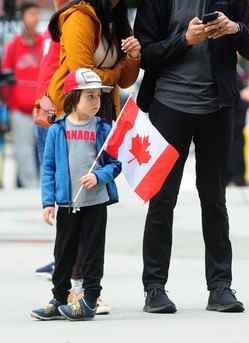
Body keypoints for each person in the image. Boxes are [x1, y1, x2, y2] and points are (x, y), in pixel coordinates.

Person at [134, 0, 249, 313]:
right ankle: (154, 288)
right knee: (162, 200)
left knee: (215, 200)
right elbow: (144, 54)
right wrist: (184, 40)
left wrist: (234, 28)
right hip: (167, 107)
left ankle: (220, 287)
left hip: (217, 109)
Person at [34, 0, 140, 314]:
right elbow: (82, 76)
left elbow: (124, 80)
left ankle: (85, 291)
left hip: (102, 112)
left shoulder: (118, 20)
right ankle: (70, 290)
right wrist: (117, 71)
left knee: (92, 207)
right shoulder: (79, 17)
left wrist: (133, 56)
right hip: (73, 114)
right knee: (73, 208)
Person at [31, 68, 121, 321]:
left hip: (95, 203)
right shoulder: (58, 130)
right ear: (72, 98)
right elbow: (48, 168)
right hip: (67, 203)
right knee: (63, 252)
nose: (96, 102)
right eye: (89, 96)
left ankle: (90, 299)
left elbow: (115, 164)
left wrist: (99, 176)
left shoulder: (103, 128)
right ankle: (59, 296)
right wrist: (48, 202)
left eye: (98, 96)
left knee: (92, 252)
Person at [1, 2, 43, 188]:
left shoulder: (45, 43)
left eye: (36, 14)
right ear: (23, 18)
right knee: (23, 153)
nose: (34, 18)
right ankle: (30, 190)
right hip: (19, 110)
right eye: (31, 14)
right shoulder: (13, 46)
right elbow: (5, 77)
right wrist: (10, 104)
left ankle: (46, 191)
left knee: (45, 151)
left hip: (43, 109)